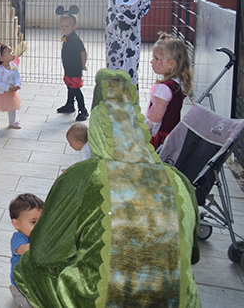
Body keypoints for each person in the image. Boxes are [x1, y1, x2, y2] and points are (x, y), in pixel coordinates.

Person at [14, 69, 200, 308]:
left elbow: (44, 252)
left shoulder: (84, 175)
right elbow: (192, 255)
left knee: (29, 266)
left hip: (103, 300)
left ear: (97, 129)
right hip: (176, 301)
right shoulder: (178, 179)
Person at [146, 33, 192, 149]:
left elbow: (155, 118)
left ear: (172, 64)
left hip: (158, 139)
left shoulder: (163, 89)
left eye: (157, 59)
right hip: (170, 136)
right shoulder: (176, 85)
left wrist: (140, 129)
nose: (152, 62)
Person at [8, 193, 43, 308]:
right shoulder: (18, 239)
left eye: (41, 221)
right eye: (33, 222)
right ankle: (16, 294)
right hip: (22, 286)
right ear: (16, 224)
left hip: (35, 281)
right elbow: (25, 250)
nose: (38, 226)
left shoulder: (38, 235)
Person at [55, 6, 88, 121]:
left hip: (74, 69)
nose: (64, 29)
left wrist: (83, 65)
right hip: (68, 68)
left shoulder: (75, 39)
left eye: (67, 27)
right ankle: (70, 105)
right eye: (62, 27)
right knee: (70, 86)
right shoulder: (66, 37)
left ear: (74, 26)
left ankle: (83, 110)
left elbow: (83, 53)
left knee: (76, 89)